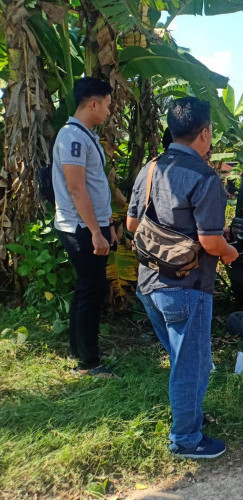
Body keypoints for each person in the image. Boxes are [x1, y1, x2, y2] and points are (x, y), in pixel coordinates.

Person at [126, 97, 239, 459]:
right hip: (186, 289)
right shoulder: (205, 177)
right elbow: (209, 241)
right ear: (204, 133)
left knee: (184, 360)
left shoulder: (150, 169)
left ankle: (188, 415)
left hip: (148, 283)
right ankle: (186, 439)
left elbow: (131, 224)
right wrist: (230, 253)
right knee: (191, 365)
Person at [53, 77, 118, 378]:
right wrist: (95, 231)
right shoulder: (73, 138)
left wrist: (107, 225)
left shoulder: (84, 135)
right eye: (106, 105)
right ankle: (90, 364)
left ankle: (80, 351)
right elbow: (77, 188)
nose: (108, 110)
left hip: (92, 224)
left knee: (85, 289)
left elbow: (95, 184)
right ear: (93, 103)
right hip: (80, 227)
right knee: (92, 290)